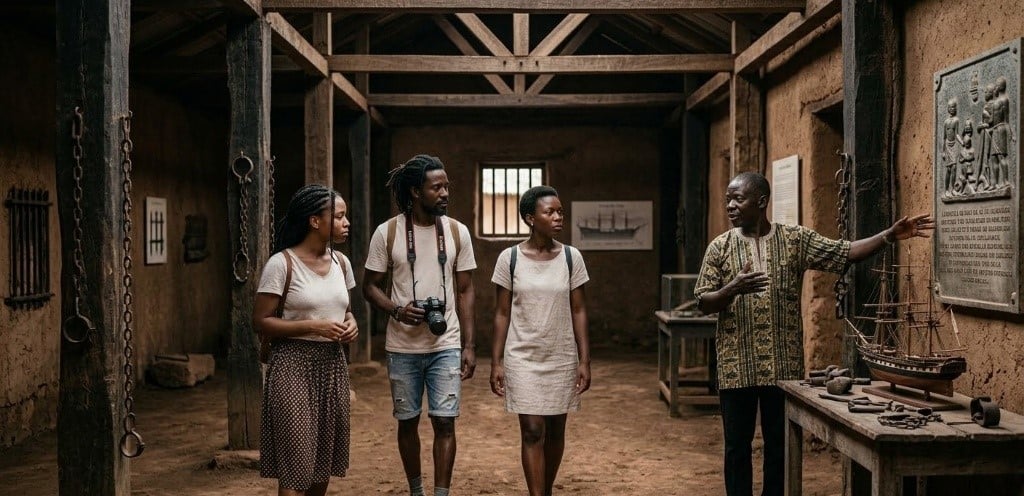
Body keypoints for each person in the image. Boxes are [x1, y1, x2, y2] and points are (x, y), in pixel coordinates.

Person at [693, 172, 934, 496]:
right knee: (737, 447)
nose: (731, 206)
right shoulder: (719, 247)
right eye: (728, 200)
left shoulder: (795, 240)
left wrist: (889, 236)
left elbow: (844, 252)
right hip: (738, 367)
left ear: (761, 202)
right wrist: (732, 289)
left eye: (739, 199)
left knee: (779, 448)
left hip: (783, 366)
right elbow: (703, 303)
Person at [362, 154, 477, 496]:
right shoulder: (389, 232)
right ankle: (416, 491)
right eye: (436, 187)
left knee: (445, 421)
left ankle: (440, 493)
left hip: (446, 343)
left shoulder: (457, 231)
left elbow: (467, 289)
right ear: (415, 191)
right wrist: (396, 310)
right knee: (407, 421)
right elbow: (369, 285)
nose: (444, 193)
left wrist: (469, 345)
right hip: (402, 346)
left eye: (446, 187)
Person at [253, 184, 359, 496]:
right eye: (338, 216)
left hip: (332, 368)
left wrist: (351, 325)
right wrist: (313, 327)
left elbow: (345, 310)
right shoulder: (281, 264)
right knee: (295, 470)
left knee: (320, 468)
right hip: (292, 368)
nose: (345, 222)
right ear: (315, 221)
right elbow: (260, 321)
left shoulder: (342, 263)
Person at [490, 185, 591, 496]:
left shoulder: (572, 258)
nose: (558, 216)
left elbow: (579, 309)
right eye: (550, 212)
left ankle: (545, 490)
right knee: (533, 430)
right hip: (522, 357)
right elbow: (502, 313)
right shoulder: (509, 259)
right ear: (530, 218)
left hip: (560, 356)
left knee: (556, 431)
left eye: (560, 211)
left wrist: (584, 359)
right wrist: (497, 361)